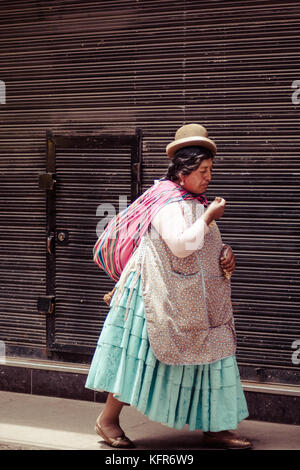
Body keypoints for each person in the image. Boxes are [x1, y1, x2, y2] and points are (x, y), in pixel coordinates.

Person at [85, 123, 251, 450]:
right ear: (183, 171)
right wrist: (209, 217)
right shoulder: (168, 202)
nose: (208, 177)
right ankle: (107, 421)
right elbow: (180, 245)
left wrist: (225, 253)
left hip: (196, 297)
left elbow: (203, 245)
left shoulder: (194, 201)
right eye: (202, 171)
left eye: (210, 170)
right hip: (157, 295)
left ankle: (216, 427)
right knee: (138, 357)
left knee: (213, 354)